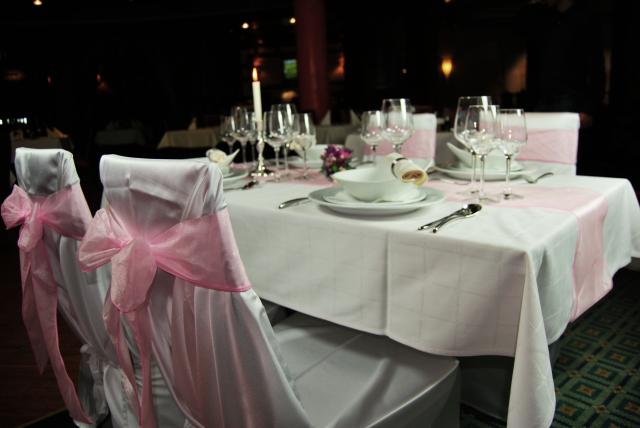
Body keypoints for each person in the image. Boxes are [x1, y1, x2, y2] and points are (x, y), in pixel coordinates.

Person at [520, 0, 606, 174]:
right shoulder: (542, 19)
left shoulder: (586, 17)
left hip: (573, 104)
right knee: (537, 162)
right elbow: (533, 69)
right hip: (541, 105)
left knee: (571, 161)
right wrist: (528, 107)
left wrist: (590, 109)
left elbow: (597, 68)